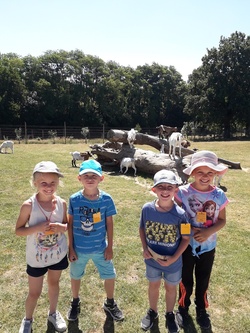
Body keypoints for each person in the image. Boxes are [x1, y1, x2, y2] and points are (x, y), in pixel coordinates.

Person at [175, 150, 229, 329]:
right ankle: (182, 307)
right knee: (185, 278)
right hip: (186, 246)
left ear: (215, 174)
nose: (205, 177)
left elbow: (222, 221)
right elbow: (175, 217)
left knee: (203, 279)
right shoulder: (182, 193)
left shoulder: (219, 195)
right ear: (192, 173)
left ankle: (201, 309)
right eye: (200, 172)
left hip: (208, 247)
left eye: (210, 173)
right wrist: (189, 230)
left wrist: (207, 233)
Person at [67, 159, 124, 322]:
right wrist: (71, 249)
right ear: (79, 178)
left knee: (109, 275)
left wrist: (110, 247)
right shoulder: (74, 199)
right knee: (75, 276)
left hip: (101, 248)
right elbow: (70, 224)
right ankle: (75, 302)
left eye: (94, 176)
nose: (90, 179)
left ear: (101, 178)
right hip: (79, 250)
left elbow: (109, 224)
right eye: (86, 175)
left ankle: (110, 303)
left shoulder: (106, 199)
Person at [15, 161, 68, 333]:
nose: (48, 187)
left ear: (58, 183)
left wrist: (62, 227)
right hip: (36, 259)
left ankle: (53, 313)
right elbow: (18, 230)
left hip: (58, 255)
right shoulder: (28, 206)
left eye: (53, 183)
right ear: (35, 183)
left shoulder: (62, 203)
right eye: (43, 183)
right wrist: (37, 228)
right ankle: (28, 319)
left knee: (54, 284)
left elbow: (67, 225)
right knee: (34, 293)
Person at [139, 170, 191, 333]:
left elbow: (186, 238)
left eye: (169, 187)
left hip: (173, 263)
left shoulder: (182, 215)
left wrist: (174, 258)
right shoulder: (147, 209)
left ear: (176, 189)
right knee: (153, 286)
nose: (165, 190)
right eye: (160, 186)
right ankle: (152, 311)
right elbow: (142, 228)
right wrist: (144, 248)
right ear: (154, 189)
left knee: (171, 288)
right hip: (152, 260)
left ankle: (169, 314)